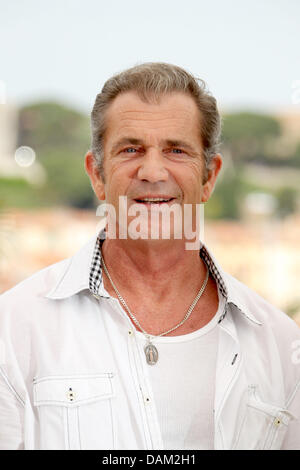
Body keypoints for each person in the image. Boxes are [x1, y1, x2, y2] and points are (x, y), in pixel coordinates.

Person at [0, 63, 299, 451]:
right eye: (131, 149)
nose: (153, 170)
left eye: (176, 150)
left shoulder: (281, 346)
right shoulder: (13, 330)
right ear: (97, 175)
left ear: (209, 178)